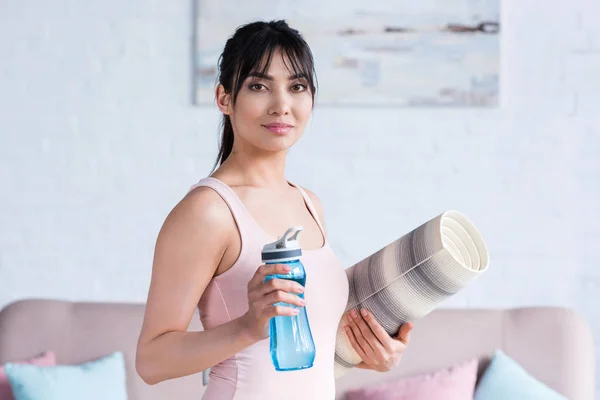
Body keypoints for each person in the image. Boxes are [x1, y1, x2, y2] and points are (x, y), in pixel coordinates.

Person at [135, 19, 413, 399]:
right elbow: (151, 362)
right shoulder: (208, 211)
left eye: (297, 87)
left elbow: (299, 356)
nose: (281, 105)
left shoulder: (309, 204)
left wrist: (373, 356)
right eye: (259, 86)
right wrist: (249, 326)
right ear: (224, 98)